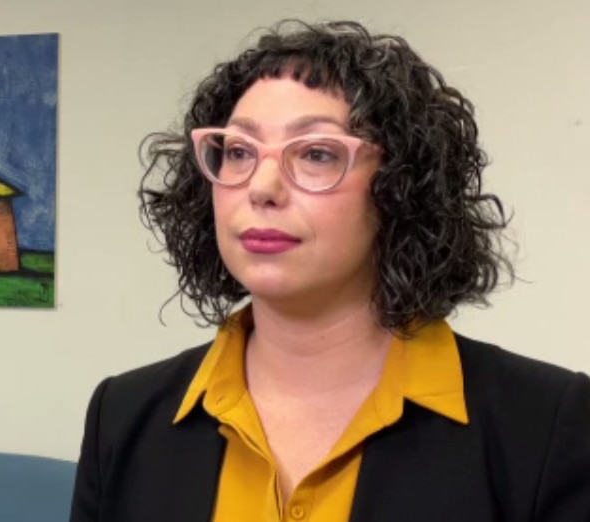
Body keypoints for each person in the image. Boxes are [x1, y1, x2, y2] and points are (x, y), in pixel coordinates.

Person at [69, 19, 590, 522]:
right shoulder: (123, 415)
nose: (261, 187)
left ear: (402, 188)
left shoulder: (547, 425)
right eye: (238, 151)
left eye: (316, 153)